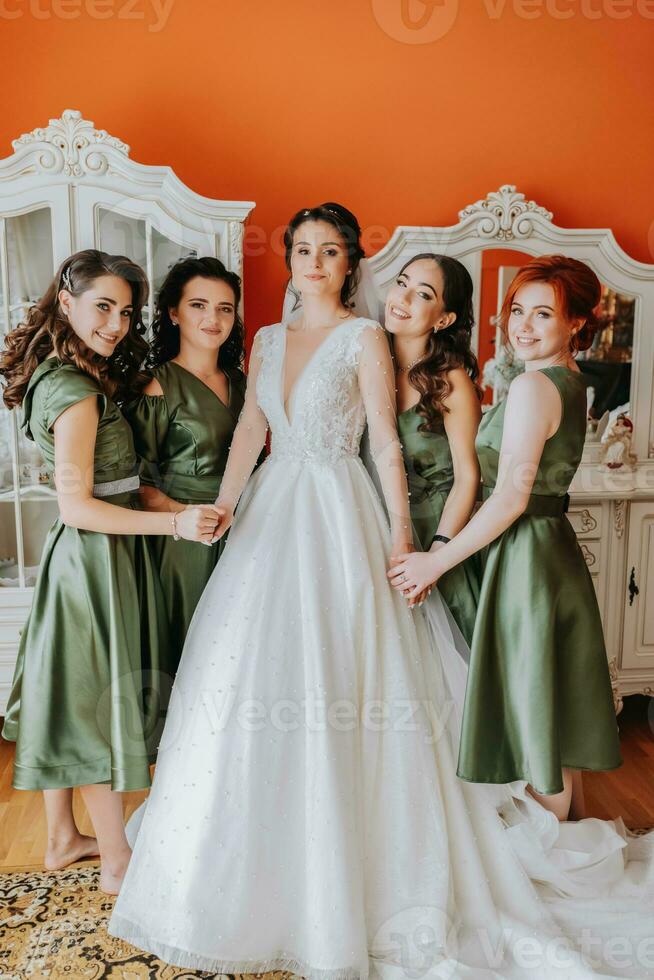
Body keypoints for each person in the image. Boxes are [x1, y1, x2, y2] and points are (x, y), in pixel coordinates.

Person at [109, 212, 653, 978]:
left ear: (348, 264)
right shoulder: (263, 339)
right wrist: (226, 512)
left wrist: (405, 540)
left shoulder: (364, 338)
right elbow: (248, 436)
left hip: (340, 508)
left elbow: (385, 442)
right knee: (245, 672)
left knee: (348, 668)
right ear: (290, 260)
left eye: (331, 252)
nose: (314, 262)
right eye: (302, 250)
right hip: (271, 511)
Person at [0, 249, 220, 892]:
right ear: (65, 301)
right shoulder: (73, 391)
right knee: (97, 703)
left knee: (73, 692)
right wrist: (174, 524)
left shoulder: (73, 374)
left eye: (125, 312)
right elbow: (78, 505)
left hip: (97, 554)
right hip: (94, 556)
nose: (117, 323)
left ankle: (65, 838)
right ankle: (119, 861)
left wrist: (169, 508)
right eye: (103, 306)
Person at [388, 255, 622, 822]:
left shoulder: (534, 387)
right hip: (544, 548)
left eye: (544, 314)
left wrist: (436, 561)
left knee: (532, 710)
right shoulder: (565, 382)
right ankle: (570, 847)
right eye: (518, 310)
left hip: (526, 555)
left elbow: (511, 497)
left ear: (576, 326)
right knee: (546, 708)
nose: (523, 325)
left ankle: (556, 860)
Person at [125, 257, 250, 670]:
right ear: (174, 313)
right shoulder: (158, 384)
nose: (213, 318)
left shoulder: (243, 382)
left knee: (241, 651)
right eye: (198, 305)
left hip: (248, 531)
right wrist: (191, 518)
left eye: (224, 308)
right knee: (192, 651)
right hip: (187, 541)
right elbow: (137, 484)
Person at [385, 252, 481, 643]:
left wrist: (438, 556)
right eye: (401, 283)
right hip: (382, 526)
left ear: (444, 319)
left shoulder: (451, 381)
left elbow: (468, 478)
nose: (403, 299)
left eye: (422, 294)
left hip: (440, 530)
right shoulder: (368, 362)